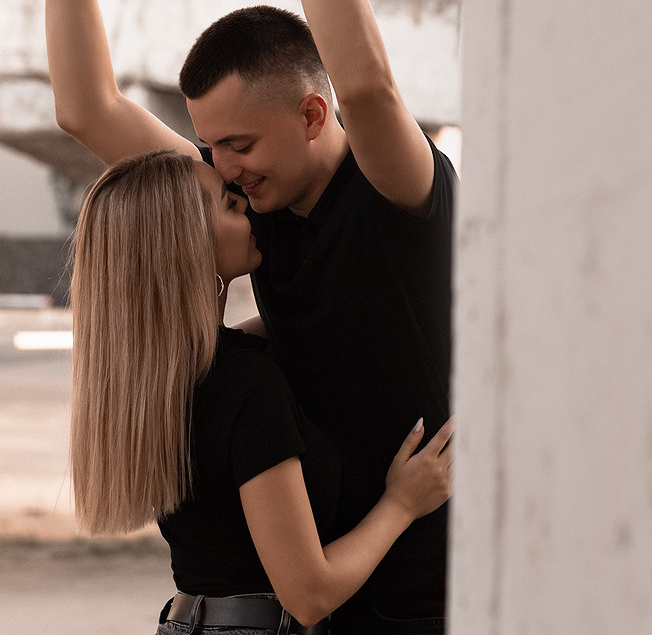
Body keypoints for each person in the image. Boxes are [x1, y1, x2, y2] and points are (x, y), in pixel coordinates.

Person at [9, 0, 456, 634]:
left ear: (313, 117)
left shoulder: (392, 191)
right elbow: (88, 109)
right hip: (333, 599)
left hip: (436, 593)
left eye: (239, 144)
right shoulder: (246, 209)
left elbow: (368, 88)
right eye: (208, 146)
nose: (217, 167)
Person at [70, 146, 453, 635]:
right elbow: (309, 593)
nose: (247, 206)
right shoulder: (246, 387)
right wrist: (403, 503)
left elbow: (298, 328)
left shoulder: (157, 381)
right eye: (229, 205)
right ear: (187, 245)